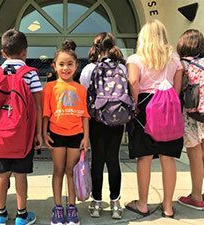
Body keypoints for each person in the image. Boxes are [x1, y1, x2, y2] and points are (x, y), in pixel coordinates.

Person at [125, 19, 183, 218]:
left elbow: (133, 81)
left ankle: (142, 203)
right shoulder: (175, 58)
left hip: (144, 107)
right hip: (168, 106)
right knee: (168, 157)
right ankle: (167, 206)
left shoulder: (135, 58)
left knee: (145, 157)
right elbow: (177, 88)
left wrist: (134, 104)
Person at [0, 29, 43, 225]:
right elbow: (37, 107)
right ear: (25, 52)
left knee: (1, 174)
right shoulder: (30, 75)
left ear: (2, 53)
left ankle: (0, 214)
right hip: (22, 135)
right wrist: (39, 134)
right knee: (20, 175)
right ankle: (21, 215)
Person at [43, 39, 90, 225]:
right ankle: (57, 207)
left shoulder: (81, 89)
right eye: (61, 64)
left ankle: (71, 206)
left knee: (71, 171)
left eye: (70, 64)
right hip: (56, 134)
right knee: (58, 170)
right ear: (55, 66)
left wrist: (86, 137)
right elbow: (45, 114)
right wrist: (44, 133)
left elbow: (85, 115)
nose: (65, 68)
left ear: (76, 66)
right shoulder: (50, 87)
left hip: (76, 135)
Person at [79, 32, 126, 219]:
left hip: (97, 118)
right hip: (117, 117)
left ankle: (97, 203)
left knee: (97, 160)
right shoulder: (122, 67)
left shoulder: (89, 69)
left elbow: (83, 96)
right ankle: (115, 204)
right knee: (113, 159)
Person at [177, 29, 204, 210]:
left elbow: (177, 90)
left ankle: (196, 196)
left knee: (194, 154)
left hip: (191, 114)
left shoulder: (183, 65)